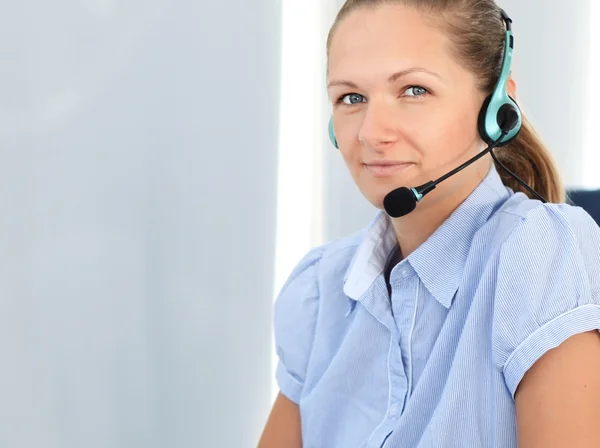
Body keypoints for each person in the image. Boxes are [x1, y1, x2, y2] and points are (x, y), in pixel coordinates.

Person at [258, 1, 600, 447]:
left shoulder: (539, 255)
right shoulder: (321, 290)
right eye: (351, 98)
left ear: (497, 109)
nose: (371, 133)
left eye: (414, 90)